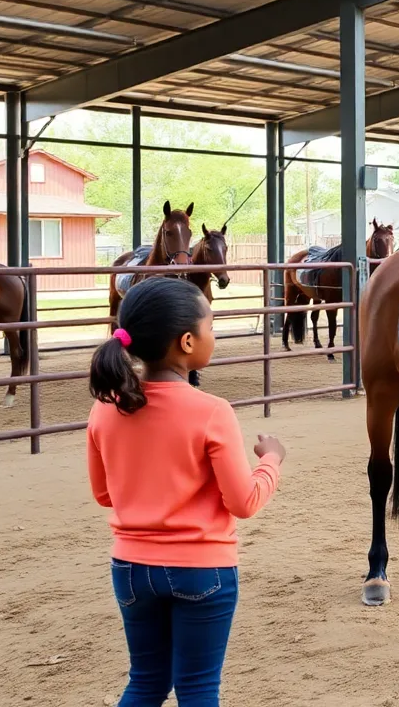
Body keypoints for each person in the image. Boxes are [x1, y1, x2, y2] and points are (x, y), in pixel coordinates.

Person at [87, 278, 286, 707]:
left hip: (131, 568)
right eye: (211, 326)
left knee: (145, 683)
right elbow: (244, 502)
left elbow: (105, 495)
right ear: (188, 341)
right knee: (197, 689)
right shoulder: (211, 411)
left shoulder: (105, 407)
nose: (214, 334)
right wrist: (271, 460)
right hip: (202, 569)